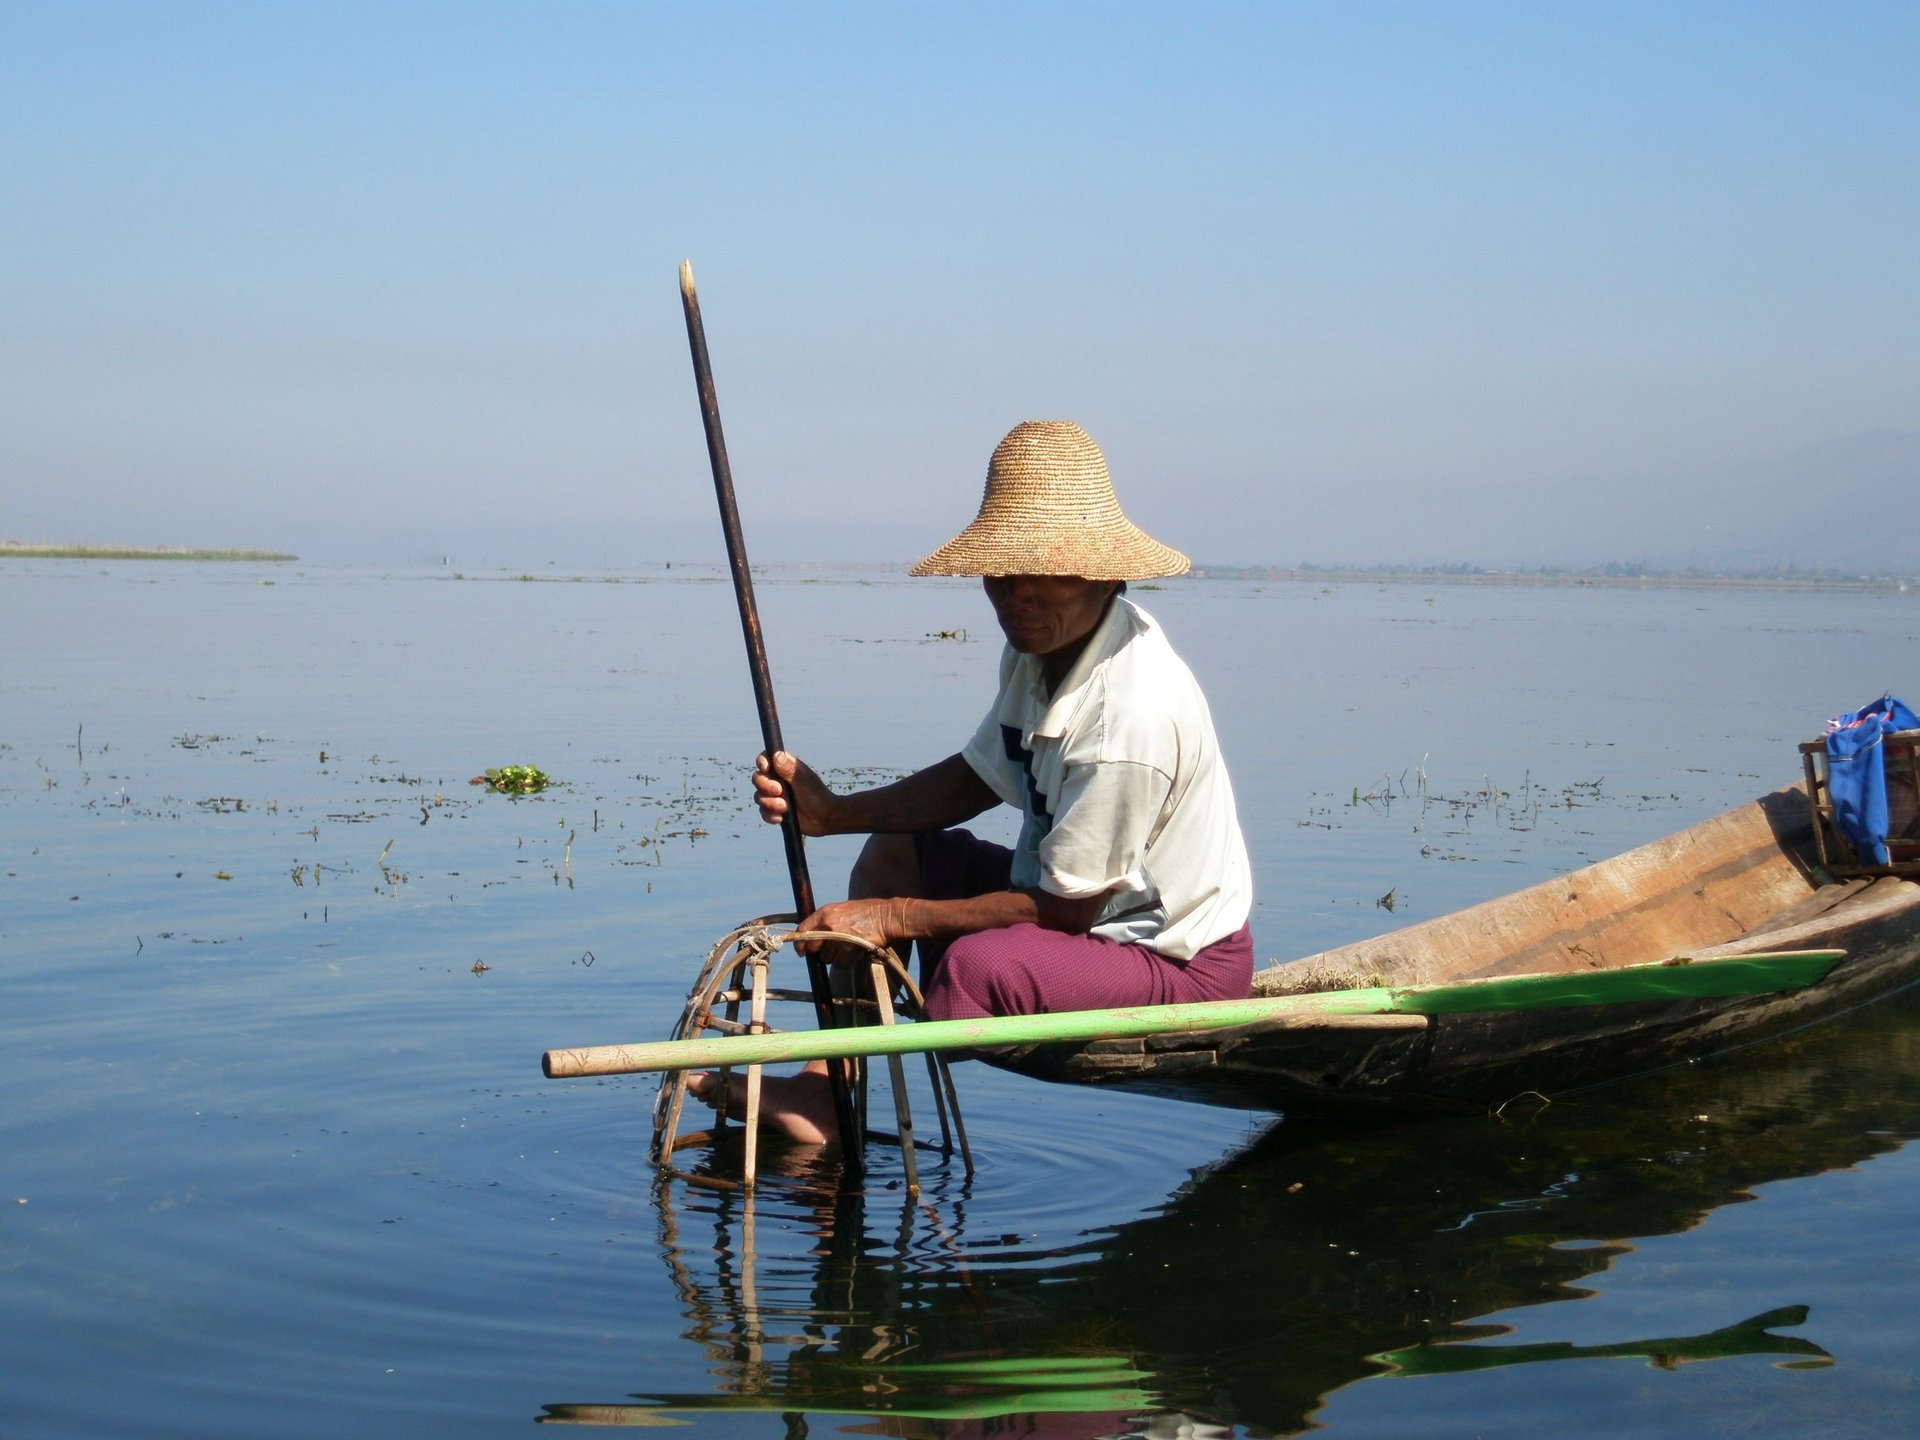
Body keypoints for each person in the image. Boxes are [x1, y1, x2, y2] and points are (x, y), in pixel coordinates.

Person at [690, 419, 1254, 1143]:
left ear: (1107, 577)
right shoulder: (1041, 650)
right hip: (1087, 913)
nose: (1018, 596)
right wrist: (833, 814)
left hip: (1172, 960)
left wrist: (893, 919)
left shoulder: (1129, 716)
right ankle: (827, 1090)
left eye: (1049, 574)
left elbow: (1066, 913)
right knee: (895, 856)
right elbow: (977, 777)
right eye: (1004, 573)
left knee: (972, 970)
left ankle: (855, 1066)